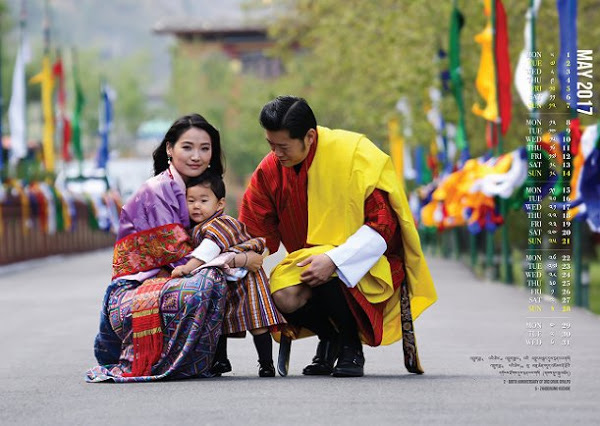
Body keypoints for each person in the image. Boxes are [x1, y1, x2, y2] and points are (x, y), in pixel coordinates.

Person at [239, 96, 437, 377]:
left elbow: (382, 225)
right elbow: (255, 231)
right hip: (307, 266)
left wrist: (334, 258)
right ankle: (331, 337)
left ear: (309, 136)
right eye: (270, 145)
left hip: (366, 262)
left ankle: (350, 345)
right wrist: (236, 258)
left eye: (283, 146)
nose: (276, 153)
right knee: (280, 296)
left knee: (329, 271)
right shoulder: (270, 169)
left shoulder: (353, 154)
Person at [86, 113, 263, 382]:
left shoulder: (197, 190)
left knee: (226, 275)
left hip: (171, 281)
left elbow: (221, 237)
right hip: (136, 290)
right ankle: (186, 359)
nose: (197, 156)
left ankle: (217, 357)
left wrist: (240, 256)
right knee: (208, 278)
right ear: (170, 148)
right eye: (187, 147)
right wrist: (240, 259)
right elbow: (185, 262)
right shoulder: (157, 192)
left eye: (205, 149)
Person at [171, 172, 284, 377]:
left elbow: (210, 248)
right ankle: (220, 360)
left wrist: (187, 268)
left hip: (247, 282)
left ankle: (266, 363)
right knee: (218, 320)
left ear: (219, 204)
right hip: (224, 282)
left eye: (204, 200)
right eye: (191, 201)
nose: (197, 206)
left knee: (257, 323)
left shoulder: (221, 223)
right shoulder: (196, 228)